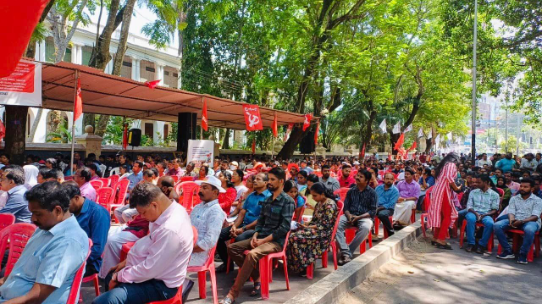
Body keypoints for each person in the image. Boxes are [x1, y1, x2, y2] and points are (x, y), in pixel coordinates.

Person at [93, 183, 193, 304]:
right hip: (151, 273)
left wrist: (120, 276)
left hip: (159, 284)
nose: (142, 217)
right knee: (110, 277)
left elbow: (150, 270)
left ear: (154, 205)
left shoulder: (170, 229)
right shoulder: (170, 210)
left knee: (104, 301)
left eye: (143, 213)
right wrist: (125, 263)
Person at [0, 181, 88, 303]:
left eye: (38, 214)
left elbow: (36, 297)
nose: (33, 219)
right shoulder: (45, 228)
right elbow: (22, 271)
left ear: (57, 210)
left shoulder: (68, 241)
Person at [221, 168, 294, 304]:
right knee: (232, 248)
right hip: (260, 236)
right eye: (269, 179)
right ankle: (256, 276)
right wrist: (255, 235)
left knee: (252, 255)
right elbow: (260, 222)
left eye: (272, 180)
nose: (270, 183)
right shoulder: (267, 200)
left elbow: (284, 227)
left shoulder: (287, 201)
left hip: (275, 241)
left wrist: (263, 240)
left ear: (281, 181)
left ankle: (232, 293)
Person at [183, 176, 227, 300]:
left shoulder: (216, 212)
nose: (200, 190)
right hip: (188, 248)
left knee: (165, 260)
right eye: (201, 187)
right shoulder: (197, 207)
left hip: (200, 254)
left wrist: (189, 249)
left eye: (205, 188)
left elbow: (209, 241)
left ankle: (174, 293)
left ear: (215, 192)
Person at [217, 173, 270, 273]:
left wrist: (242, 229)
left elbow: (261, 219)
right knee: (219, 236)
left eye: (258, 179)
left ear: (265, 183)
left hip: (256, 229)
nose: (254, 181)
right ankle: (227, 263)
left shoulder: (269, 197)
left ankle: (246, 271)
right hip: (243, 225)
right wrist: (235, 226)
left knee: (238, 239)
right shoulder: (251, 196)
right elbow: (242, 212)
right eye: (254, 179)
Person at [286, 182, 339, 275]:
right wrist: (306, 225)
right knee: (291, 235)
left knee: (294, 237)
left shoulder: (330, 205)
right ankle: (296, 265)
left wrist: (307, 226)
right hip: (315, 229)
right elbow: (315, 220)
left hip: (324, 233)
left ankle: (303, 265)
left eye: (315, 196)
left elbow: (324, 225)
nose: (313, 198)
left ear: (322, 194)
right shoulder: (319, 203)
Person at [63, 181, 110, 277]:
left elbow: (97, 248)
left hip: (88, 262)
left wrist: (73, 263)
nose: (64, 208)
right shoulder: (71, 211)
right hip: (67, 255)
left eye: (67, 204)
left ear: (76, 198)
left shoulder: (98, 213)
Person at [494, 178, 541, 264]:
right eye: (521, 186)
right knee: (497, 225)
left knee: (529, 230)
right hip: (515, 219)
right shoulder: (514, 198)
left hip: (530, 221)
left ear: (532, 189)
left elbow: (535, 216)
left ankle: (523, 254)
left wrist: (521, 221)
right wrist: (512, 220)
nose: (522, 188)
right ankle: (508, 251)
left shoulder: (538, 200)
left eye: (525, 187)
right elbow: (511, 211)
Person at [335, 170, 377, 265]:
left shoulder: (372, 193)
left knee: (366, 227)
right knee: (336, 225)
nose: (357, 178)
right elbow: (346, 207)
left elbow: (373, 211)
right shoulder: (351, 191)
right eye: (357, 176)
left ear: (366, 181)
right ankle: (346, 253)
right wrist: (349, 215)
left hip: (364, 217)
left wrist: (358, 217)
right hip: (349, 215)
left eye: (361, 177)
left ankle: (347, 253)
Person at [428, 153, 461, 250]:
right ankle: (441, 239)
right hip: (444, 191)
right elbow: (449, 178)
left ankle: (436, 237)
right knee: (447, 216)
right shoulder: (451, 165)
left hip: (437, 191)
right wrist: (457, 188)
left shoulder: (443, 165)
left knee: (441, 216)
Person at [464, 175, 499, 254]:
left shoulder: (494, 194)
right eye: (476, 182)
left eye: (478, 182)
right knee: (470, 219)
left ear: (486, 182)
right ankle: (471, 243)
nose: (476, 184)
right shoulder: (473, 192)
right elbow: (469, 206)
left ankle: (482, 245)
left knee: (490, 223)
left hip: (486, 214)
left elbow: (495, 209)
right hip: (473, 212)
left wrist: (485, 215)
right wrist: (476, 213)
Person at [375, 173, 399, 237]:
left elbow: (391, 203)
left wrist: (378, 209)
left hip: (388, 209)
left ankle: (390, 230)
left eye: (391, 179)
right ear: (384, 179)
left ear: (393, 180)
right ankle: (370, 233)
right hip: (377, 207)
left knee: (381, 214)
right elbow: (374, 198)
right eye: (387, 179)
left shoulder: (395, 191)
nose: (389, 180)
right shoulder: (378, 188)